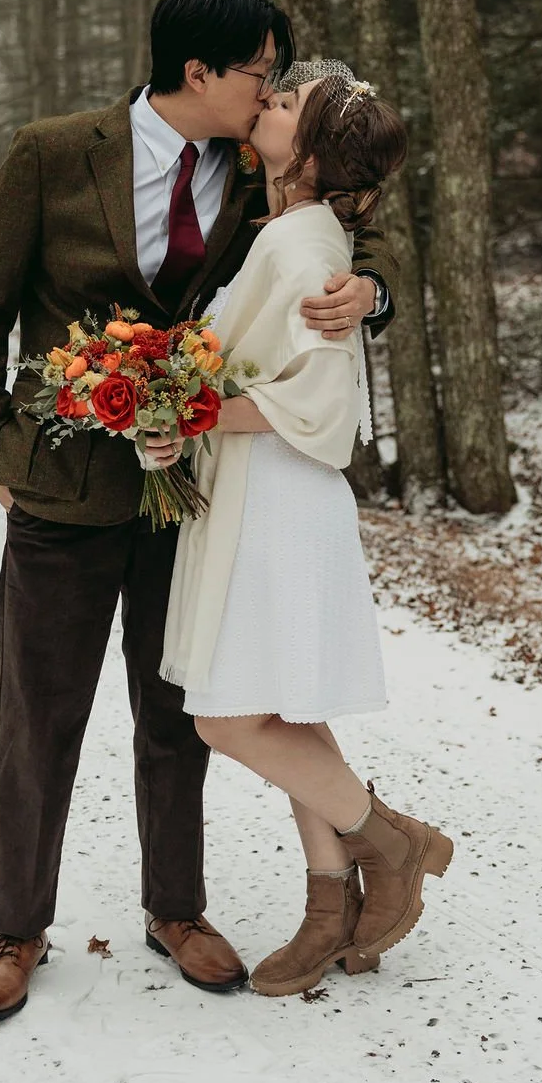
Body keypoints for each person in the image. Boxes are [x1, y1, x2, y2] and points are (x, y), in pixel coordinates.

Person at [0, 0, 401, 1022]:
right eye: (258, 72)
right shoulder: (55, 152)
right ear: (200, 73)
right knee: (38, 714)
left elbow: (332, 234)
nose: (270, 90)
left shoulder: (255, 169)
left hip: (190, 492)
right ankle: (16, 927)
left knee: (178, 711)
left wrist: (371, 293)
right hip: (61, 484)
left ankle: (178, 909)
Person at [161, 60, 454, 998]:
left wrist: (190, 412)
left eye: (285, 103)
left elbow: (320, 404)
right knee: (288, 708)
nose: (269, 102)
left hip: (281, 500)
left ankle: (393, 842)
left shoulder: (304, 248)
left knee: (223, 716)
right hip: (259, 491)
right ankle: (330, 901)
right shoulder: (288, 229)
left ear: (316, 153)